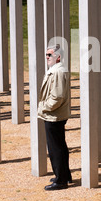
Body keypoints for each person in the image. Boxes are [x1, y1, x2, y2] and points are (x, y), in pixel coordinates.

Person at [38, 45, 72, 190]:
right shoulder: (57, 70)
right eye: (46, 54)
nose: (47, 57)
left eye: (50, 55)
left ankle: (60, 180)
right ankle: (64, 175)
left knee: (55, 148)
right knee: (60, 146)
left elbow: (57, 96)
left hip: (54, 115)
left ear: (58, 57)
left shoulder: (57, 72)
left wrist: (44, 107)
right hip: (56, 114)